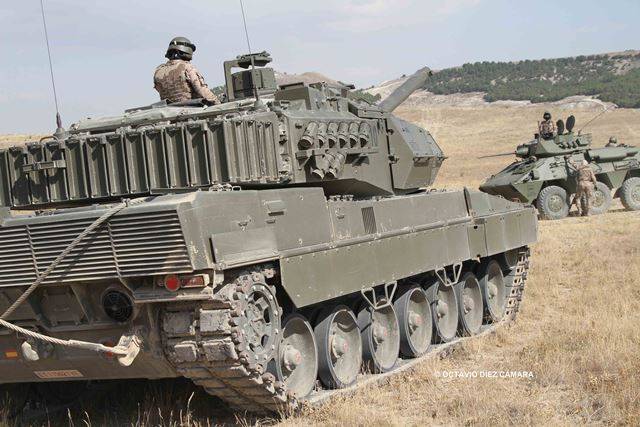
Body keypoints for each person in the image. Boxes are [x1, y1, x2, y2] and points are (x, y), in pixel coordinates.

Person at [154, 37, 220, 105]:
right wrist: (218, 103)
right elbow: (202, 91)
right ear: (186, 49)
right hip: (189, 109)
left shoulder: (158, 71)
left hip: (168, 110)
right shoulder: (187, 67)